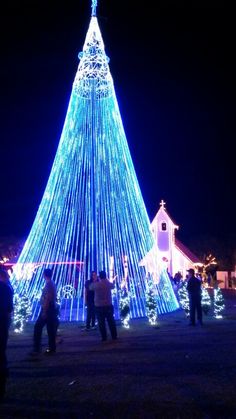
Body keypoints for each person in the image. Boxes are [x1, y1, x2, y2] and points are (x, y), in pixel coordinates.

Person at [31, 268, 58, 355]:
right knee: (50, 329)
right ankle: (51, 348)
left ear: (44, 275)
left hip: (48, 309)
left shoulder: (49, 284)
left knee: (38, 328)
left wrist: (44, 311)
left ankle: (38, 348)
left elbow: (47, 298)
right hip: (50, 308)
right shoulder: (51, 283)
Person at [89, 270, 117, 342]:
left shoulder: (97, 284)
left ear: (99, 276)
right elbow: (113, 286)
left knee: (101, 323)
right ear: (105, 276)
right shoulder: (108, 284)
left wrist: (95, 280)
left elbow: (90, 287)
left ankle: (104, 337)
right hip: (108, 305)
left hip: (99, 306)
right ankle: (114, 336)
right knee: (111, 321)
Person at [0, 268, 14, 400]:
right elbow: (10, 308)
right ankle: (2, 386)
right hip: (3, 322)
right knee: (1, 351)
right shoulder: (8, 288)